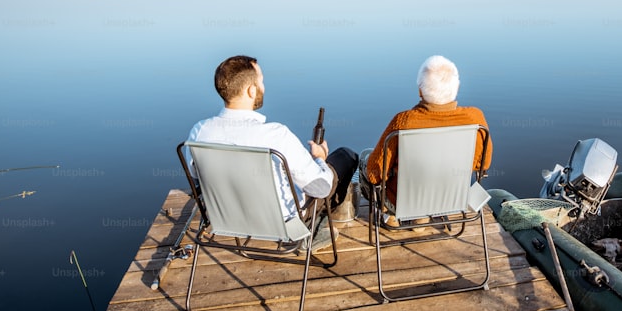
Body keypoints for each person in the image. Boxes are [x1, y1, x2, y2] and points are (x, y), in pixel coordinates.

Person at [186, 55, 358, 225]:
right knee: (346, 157)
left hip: (225, 216)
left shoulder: (199, 132)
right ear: (251, 90)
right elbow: (320, 188)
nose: (263, 87)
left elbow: (197, 176)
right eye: (261, 81)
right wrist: (320, 159)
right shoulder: (275, 135)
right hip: (281, 221)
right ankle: (318, 228)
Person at [361, 55, 492, 211]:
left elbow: (374, 174)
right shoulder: (475, 119)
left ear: (420, 91)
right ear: (456, 87)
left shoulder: (404, 121)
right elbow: (483, 164)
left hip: (405, 203)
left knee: (365, 157)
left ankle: (393, 215)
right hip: (453, 199)